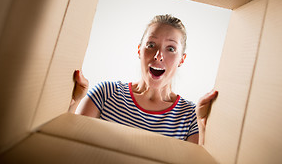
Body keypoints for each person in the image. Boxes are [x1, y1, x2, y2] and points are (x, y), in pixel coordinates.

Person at [69, 14, 218, 145]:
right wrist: (73, 102)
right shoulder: (105, 93)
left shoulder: (191, 116)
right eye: (151, 45)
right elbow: (69, 146)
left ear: (182, 59)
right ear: (140, 50)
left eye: (171, 48)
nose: (158, 55)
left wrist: (204, 126)